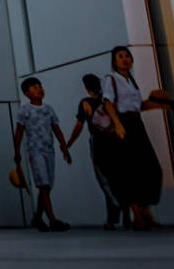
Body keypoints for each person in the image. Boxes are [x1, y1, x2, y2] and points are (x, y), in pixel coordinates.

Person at [102, 46, 173, 230]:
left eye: (127, 56)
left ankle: (146, 211)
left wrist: (159, 105)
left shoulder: (131, 82)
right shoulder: (112, 79)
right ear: (114, 61)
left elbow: (137, 106)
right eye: (120, 56)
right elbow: (108, 103)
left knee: (150, 168)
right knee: (130, 169)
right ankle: (137, 214)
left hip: (136, 123)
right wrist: (117, 124)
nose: (125, 59)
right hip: (123, 123)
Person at [65, 73, 125, 229]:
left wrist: (69, 143)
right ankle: (125, 215)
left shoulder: (86, 103)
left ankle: (113, 218)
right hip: (116, 141)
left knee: (105, 180)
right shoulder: (110, 100)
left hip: (99, 143)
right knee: (119, 177)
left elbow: (79, 126)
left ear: (86, 89)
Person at [12, 76, 72, 231]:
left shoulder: (49, 109)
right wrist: (17, 152)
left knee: (47, 186)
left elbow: (56, 129)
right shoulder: (25, 110)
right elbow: (19, 132)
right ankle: (52, 220)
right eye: (34, 87)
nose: (39, 89)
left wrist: (64, 148)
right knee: (44, 184)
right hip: (35, 151)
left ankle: (37, 218)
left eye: (40, 86)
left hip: (49, 151)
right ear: (27, 93)